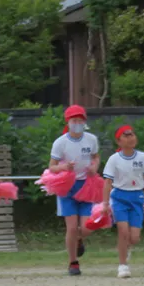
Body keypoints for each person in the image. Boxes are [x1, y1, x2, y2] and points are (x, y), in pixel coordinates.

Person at [49, 105, 100, 276]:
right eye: (74, 120)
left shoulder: (91, 139)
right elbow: (52, 167)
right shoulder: (60, 142)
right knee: (71, 228)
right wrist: (64, 167)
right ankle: (73, 262)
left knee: (87, 226)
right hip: (67, 187)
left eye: (80, 120)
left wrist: (95, 166)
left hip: (87, 185)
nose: (77, 124)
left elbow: (96, 156)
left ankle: (78, 240)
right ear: (68, 122)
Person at [102, 125, 144, 279]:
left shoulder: (143, 157)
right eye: (125, 136)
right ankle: (122, 265)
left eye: (132, 135)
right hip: (119, 197)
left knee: (134, 238)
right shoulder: (114, 159)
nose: (130, 138)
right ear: (118, 141)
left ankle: (126, 250)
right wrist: (105, 203)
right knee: (123, 231)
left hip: (137, 197)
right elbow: (107, 182)